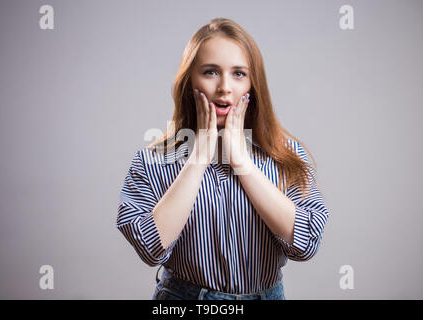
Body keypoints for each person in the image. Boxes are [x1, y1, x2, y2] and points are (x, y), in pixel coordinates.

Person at [116, 17, 330, 300]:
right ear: (189, 81)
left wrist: (242, 162)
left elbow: (306, 244)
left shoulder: (285, 156)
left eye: (239, 73)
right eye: (210, 72)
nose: (225, 87)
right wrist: (199, 157)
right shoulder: (152, 162)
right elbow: (150, 247)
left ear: (253, 85)